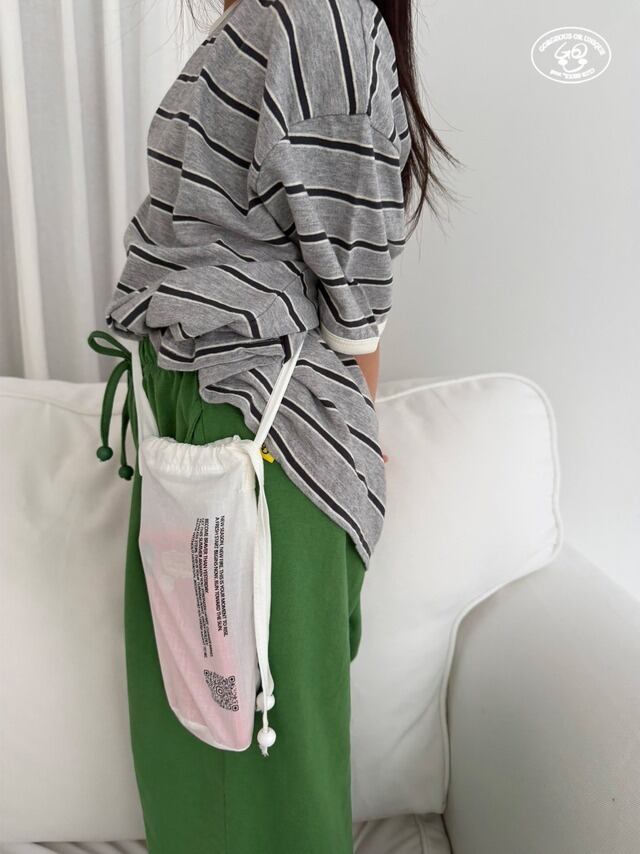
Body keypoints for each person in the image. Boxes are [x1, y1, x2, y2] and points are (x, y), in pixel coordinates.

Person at [87, 0, 456, 850]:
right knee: (196, 749)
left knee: (260, 777)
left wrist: (352, 434)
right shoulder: (270, 17)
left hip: (260, 429)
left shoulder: (314, 15)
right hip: (200, 412)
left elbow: (353, 277)